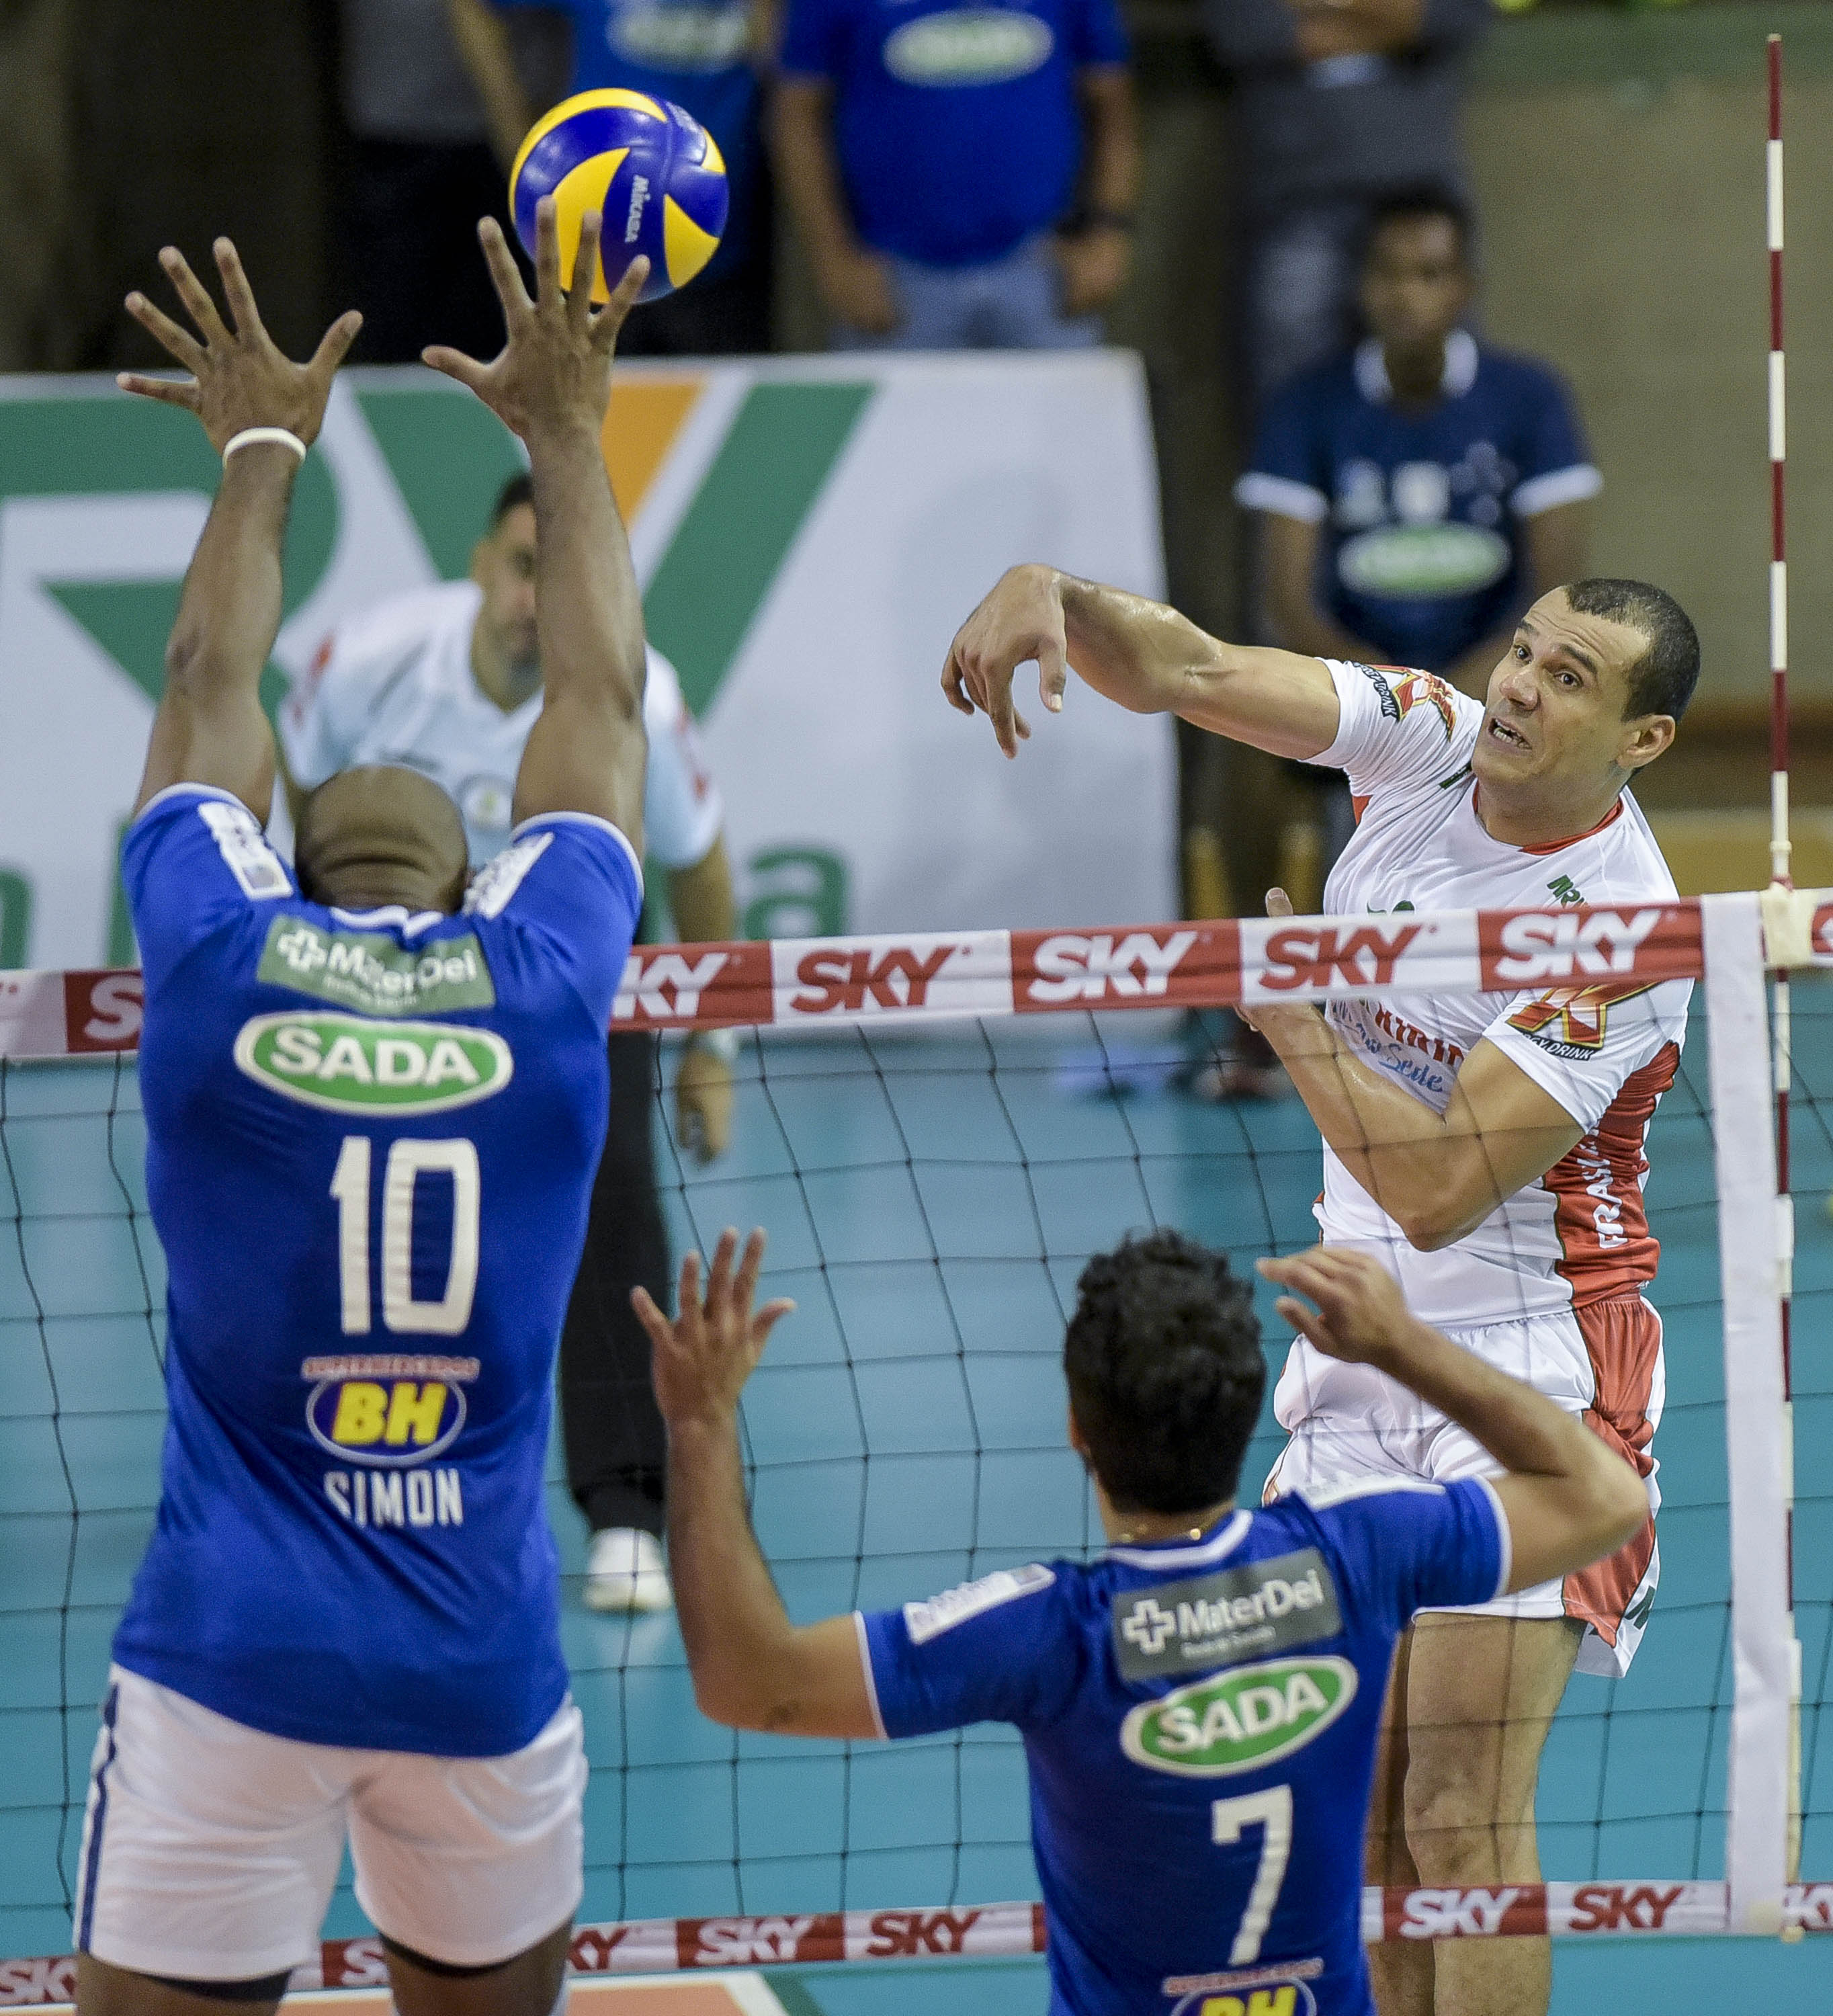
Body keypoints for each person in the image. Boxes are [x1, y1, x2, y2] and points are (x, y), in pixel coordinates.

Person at [941, 565, 1698, 2016]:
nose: (1522, 688)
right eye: (1524, 652)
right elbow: (1192, 668)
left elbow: (1431, 1184)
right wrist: (1051, 589)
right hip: (1354, 1360)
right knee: (1356, 1829)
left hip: (1529, 1366)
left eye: (1570, 679)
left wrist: (1286, 1008)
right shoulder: (1429, 738)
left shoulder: (1617, 930)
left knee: (1459, 1819)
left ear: (1642, 740)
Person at [77, 202, 648, 2015]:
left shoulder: (228, 969)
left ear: (296, 870)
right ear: (482, 868)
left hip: (229, 1666)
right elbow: (602, 696)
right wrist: (567, 433)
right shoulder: (546, 986)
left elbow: (205, 689)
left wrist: (261, 453)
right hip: (473, 1677)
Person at [634, 1225, 1647, 2016]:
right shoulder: (1357, 1558)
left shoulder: (1050, 1638)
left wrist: (699, 1423)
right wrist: (1403, 1344)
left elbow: (744, 1679)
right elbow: (1606, 1498)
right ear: (1252, 1407)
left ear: (1078, 1429)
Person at [278, 472, 739, 1613]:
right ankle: (345, 1481)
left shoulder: (641, 691)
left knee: (614, 1190)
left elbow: (700, 864)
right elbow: (298, 794)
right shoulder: (371, 658)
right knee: (346, 1204)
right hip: (398, 955)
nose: (537, 597)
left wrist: (710, 1046)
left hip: (572, 965)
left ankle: (626, 1511)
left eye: (560, 574)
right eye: (522, 566)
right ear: (483, 563)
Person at [1239, 190, 1598, 703]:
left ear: (1464, 288)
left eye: (1429, 274)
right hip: (1354, 698)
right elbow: (1287, 604)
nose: (1406, 295)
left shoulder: (1532, 397)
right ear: (1361, 285)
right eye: (1388, 273)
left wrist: (1454, 702)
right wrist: (1389, 702)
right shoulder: (1302, 405)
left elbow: (1559, 593)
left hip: (1496, 689)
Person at [772, 0, 1138, 350]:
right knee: (896, 415)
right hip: (891, 271)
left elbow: (1113, 106)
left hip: (1045, 265)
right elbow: (797, 114)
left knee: (1061, 412)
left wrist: (1107, 235)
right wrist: (832, 258)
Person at [1205, 0, 1493, 409]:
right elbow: (1247, 30)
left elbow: (1456, 15)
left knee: (1447, 378)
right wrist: (1393, 25)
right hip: (1295, 189)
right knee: (1288, 390)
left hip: (1421, 182)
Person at [448, 0, 776, 355]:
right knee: (582, 403)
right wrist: (520, 145)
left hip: (727, 252)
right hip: (589, 249)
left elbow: (794, 65)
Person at [335, 0, 566, 364]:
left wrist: (521, 141)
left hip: (539, 128)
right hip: (400, 127)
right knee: (402, 331)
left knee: (524, 328)